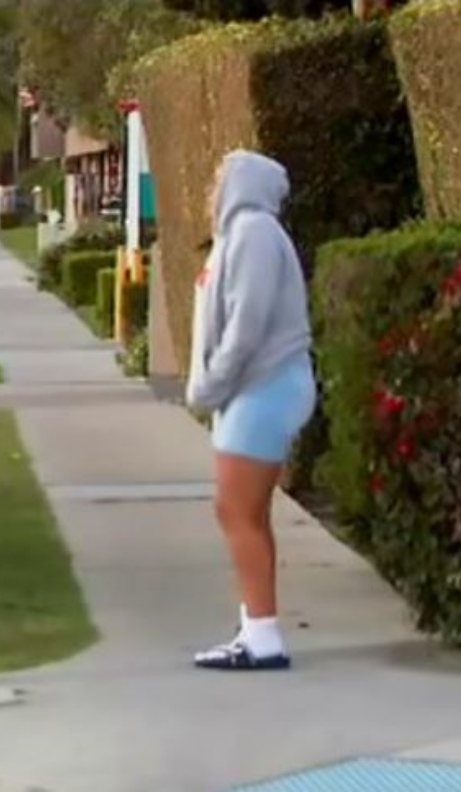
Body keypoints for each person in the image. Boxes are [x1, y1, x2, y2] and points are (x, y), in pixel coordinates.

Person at [186, 150, 316, 672]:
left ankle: (262, 636)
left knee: (235, 510)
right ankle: (256, 629)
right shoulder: (241, 234)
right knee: (245, 511)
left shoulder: (254, 232)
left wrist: (212, 382)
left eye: (220, 176)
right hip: (259, 387)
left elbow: (248, 322)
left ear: (242, 181)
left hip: (264, 386)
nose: (213, 185)